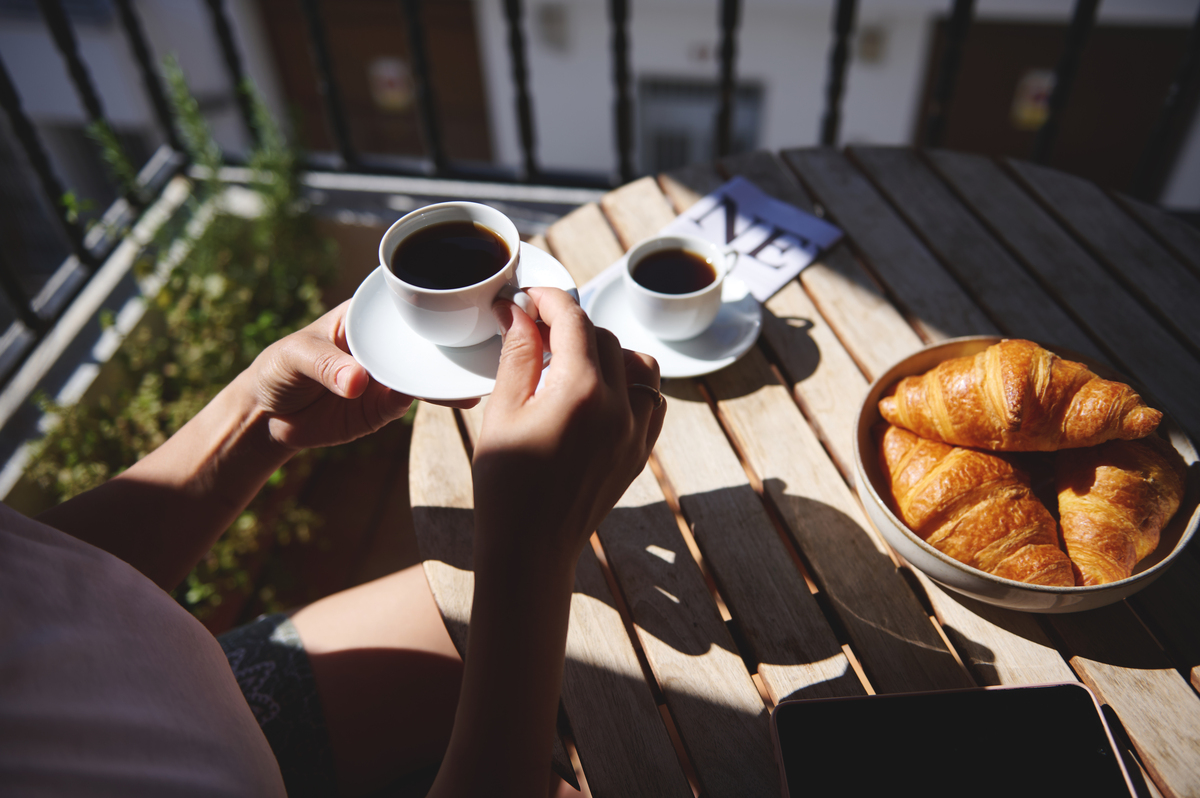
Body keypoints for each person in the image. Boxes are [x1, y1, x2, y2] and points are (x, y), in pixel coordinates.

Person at [0, 286, 665, 797]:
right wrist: (529, 554)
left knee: (610, 585)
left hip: (173, 685)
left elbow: (40, 579)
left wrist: (256, 422)